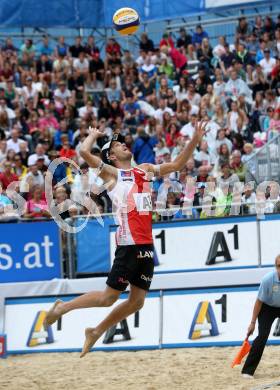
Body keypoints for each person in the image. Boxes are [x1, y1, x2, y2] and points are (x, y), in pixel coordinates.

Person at [44, 121, 208, 357]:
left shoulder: (144, 169)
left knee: (137, 301)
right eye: (119, 145)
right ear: (111, 155)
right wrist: (92, 135)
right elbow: (82, 152)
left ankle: (95, 331)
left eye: (124, 143)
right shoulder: (112, 174)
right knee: (108, 297)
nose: (124, 145)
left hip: (146, 244)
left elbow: (178, 164)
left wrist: (195, 139)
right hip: (129, 245)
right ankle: (63, 307)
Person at [242, 255, 280, 378]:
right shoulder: (268, 280)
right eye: (279, 266)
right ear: (276, 267)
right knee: (262, 336)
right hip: (267, 308)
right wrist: (252, 323)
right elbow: (259, 301)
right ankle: (247, 371)